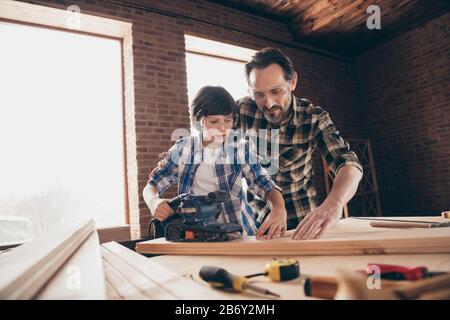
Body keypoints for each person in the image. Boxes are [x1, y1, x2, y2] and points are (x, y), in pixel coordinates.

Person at [239, 47, 363, 240]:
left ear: (293, 82)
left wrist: (334, 204)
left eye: (276, 91)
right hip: (255, 220)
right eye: (259, 94)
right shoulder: (243, 110)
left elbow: (348, 164)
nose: (268, 103)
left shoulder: (314, 118)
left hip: (301, 222)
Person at [143, 86, 287, 238]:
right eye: (214, 121)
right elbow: (152, 184)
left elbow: (262, 181)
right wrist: (153, 202)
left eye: (228, 120)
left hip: (238, 235)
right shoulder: (182, 149)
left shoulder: (239, 149)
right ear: (198, 121)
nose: (223, 128)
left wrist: (278, 208)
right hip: (196, 236)